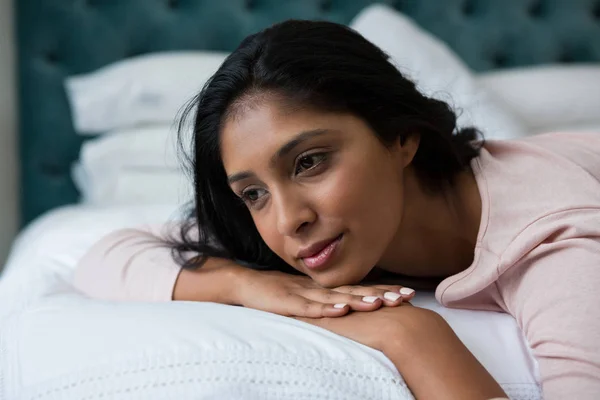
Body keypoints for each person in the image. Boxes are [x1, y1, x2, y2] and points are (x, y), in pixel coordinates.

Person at [73, 20, 600, 400]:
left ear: (400, 138)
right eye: (253, 193)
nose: (287, 221)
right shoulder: (312, 231)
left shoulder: (558, 242)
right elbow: (107, 255)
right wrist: (247, 286)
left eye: (309, 162)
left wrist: (413, 337)